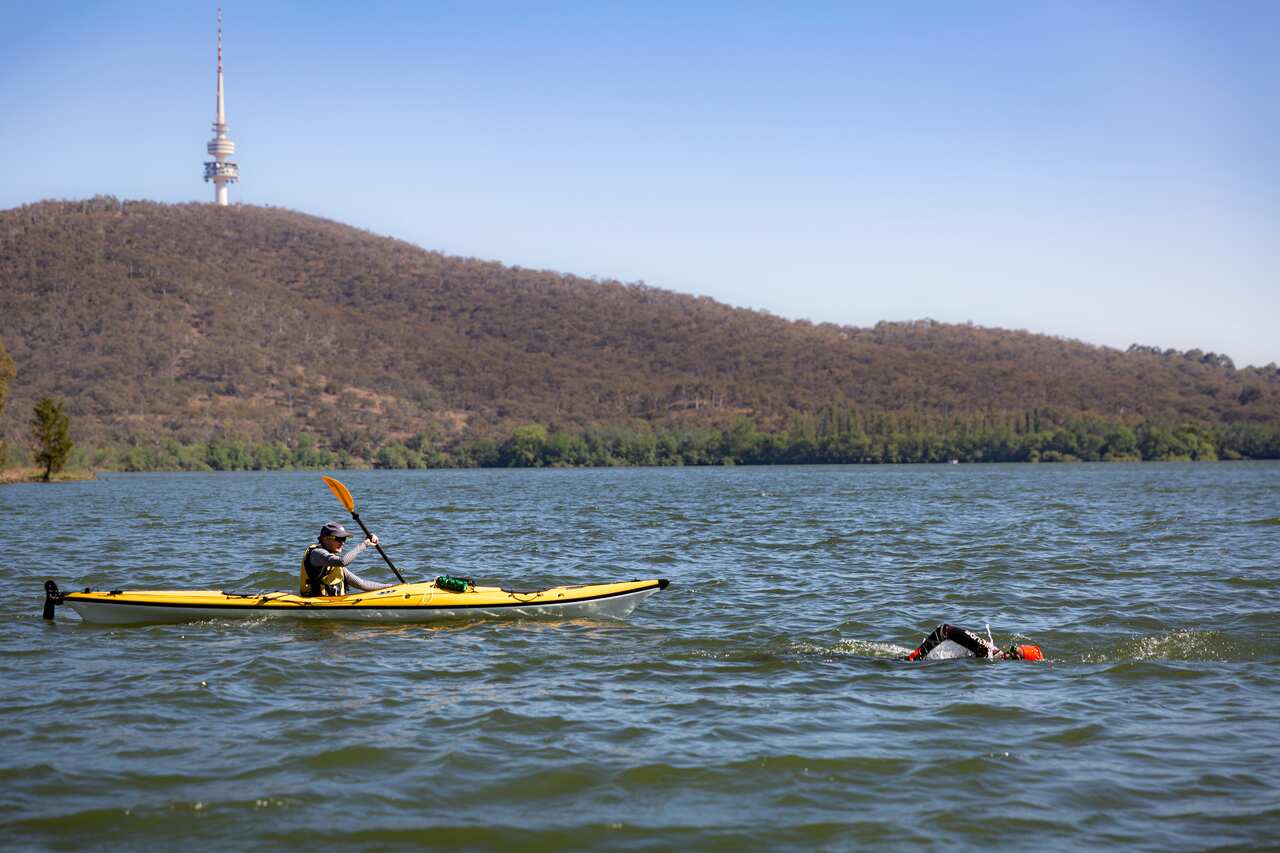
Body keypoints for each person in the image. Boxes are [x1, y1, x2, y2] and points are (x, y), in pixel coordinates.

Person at [300, 521, 395, 597]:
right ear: (325, 539)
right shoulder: (317, 554)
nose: (342, 543)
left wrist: (392, 587)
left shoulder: (334, 564)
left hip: (333, 602)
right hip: (316, 602)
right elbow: (343, 561)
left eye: (344, 539)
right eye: (339, 539)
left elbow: (361, 584)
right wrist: (365, 544)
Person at [904, 623, 1044, 662]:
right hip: (911, 663)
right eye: (1013, 650)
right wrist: (918, 654)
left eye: (1015, 656)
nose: (1009, 654)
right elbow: (945, 629)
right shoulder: (987, 650)